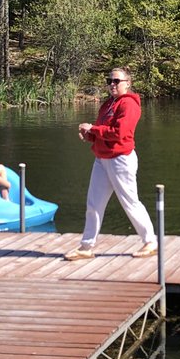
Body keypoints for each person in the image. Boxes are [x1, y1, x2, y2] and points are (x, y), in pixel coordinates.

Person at [66, 68, 157, 261]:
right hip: (102, 158)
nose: (112, 84)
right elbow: (104, 132)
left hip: (121, 159)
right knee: (94, 203)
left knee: (130, 202)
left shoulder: (129, 104)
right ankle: (86, 247)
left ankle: (150, 242)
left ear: (127, 83)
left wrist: (94, 129)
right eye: (110, 81)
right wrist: (90, 135)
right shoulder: (108, 104)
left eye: (116, 81)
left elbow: (120, 133)